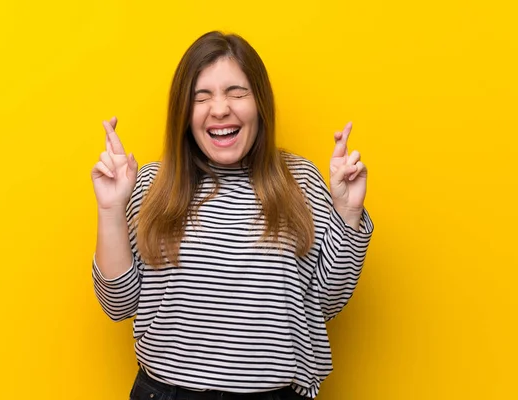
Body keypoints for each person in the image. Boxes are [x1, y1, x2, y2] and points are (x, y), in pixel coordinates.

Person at [90, 31, 374, 400]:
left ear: (260, 102)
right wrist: (111, 210)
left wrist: (348, 214)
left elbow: (326, 302)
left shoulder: (300, 180)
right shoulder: (152, 184)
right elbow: (118, 304)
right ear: (184, 113)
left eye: (237, 92)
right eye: (200, 96)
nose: (220, 109)